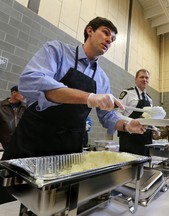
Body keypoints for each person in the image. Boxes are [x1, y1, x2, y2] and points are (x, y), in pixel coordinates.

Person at [1, 17, 146, 160]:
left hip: (69, 149)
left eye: (113, 39)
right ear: (90, 31)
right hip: (33, 140)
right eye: (105, 32)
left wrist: (127, 125)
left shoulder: (102, 79)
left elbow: (107, 116)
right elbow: (30, 80)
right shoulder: (58, 51)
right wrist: (88, 97)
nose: (109, 40)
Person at [116, 69, 153, 155]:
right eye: (141, 77)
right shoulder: (127, 93)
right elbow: (117, 113)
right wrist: (131, 122)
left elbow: (149, 118)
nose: (144, 79)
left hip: (145, 138)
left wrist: (153, 129)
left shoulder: (149, 99)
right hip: (129, 137)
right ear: (135, 79)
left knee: (144, 165)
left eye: (146, 78)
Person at [0, 85, 26, 150]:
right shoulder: (1, 106)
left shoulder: (26, 108)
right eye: (22, 93)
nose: (24, 96)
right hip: (3, 144)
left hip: (20, 144)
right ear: (14, 93)